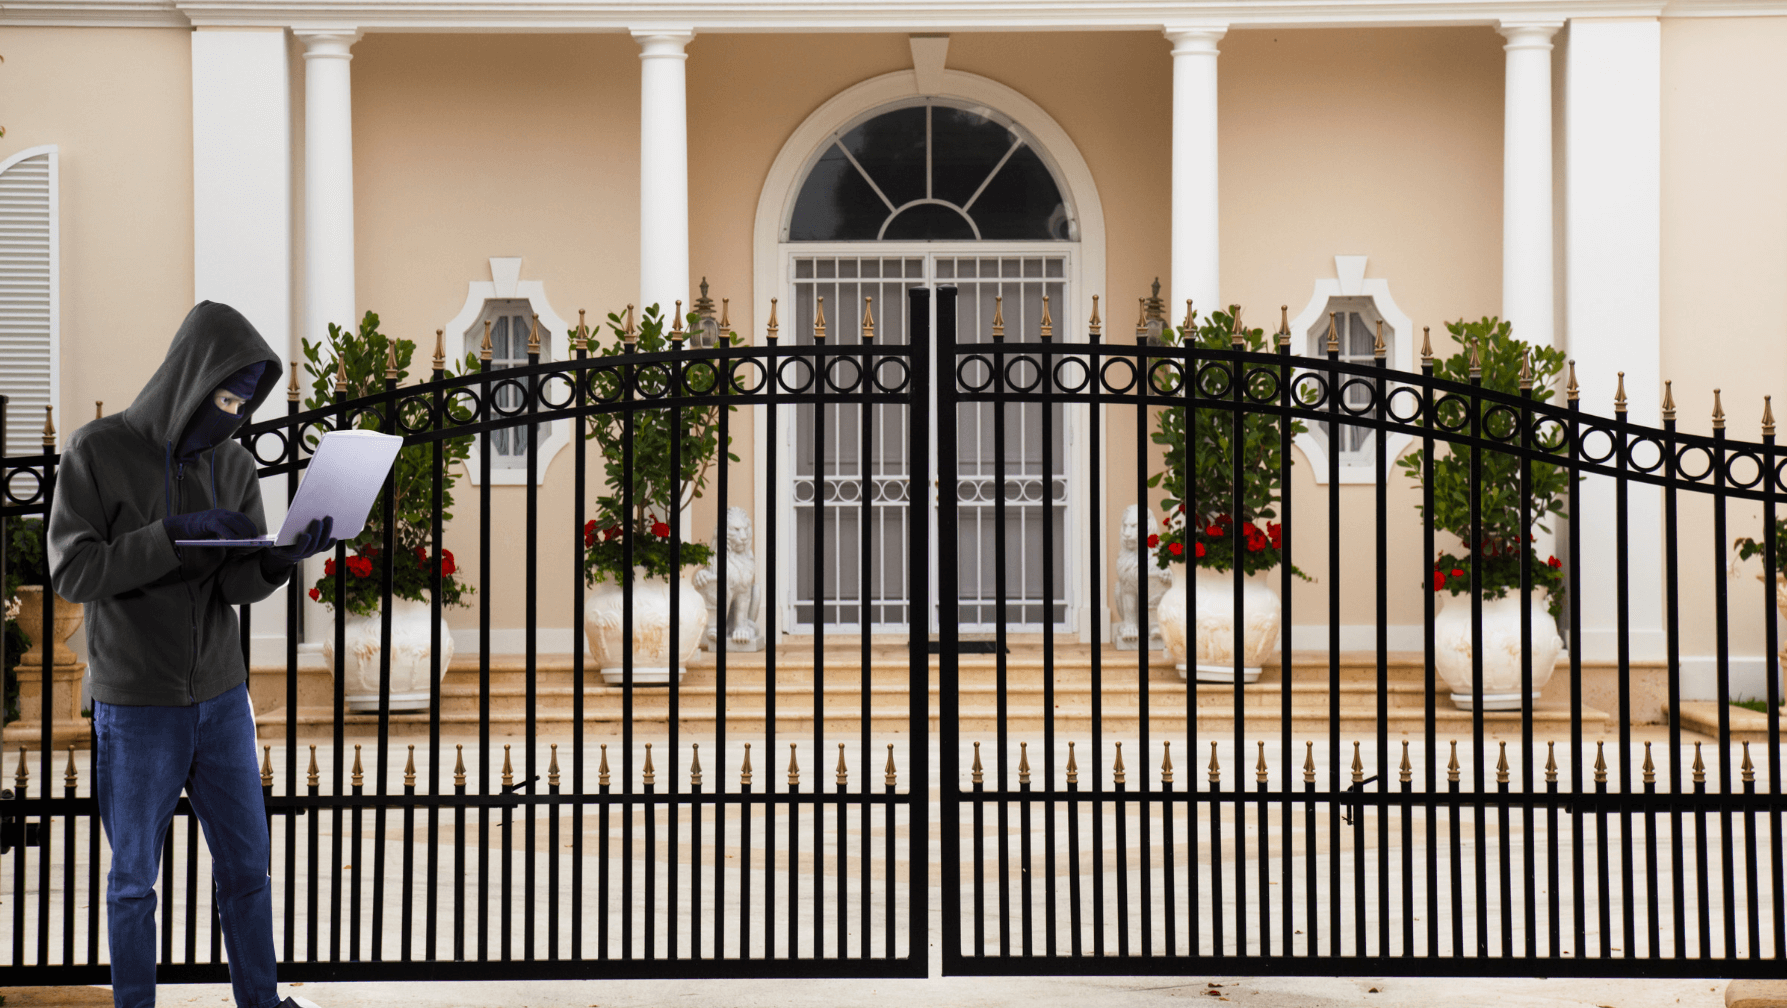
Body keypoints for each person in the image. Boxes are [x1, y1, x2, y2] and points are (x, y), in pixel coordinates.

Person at [48, 302, 335, 1008]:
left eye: (245, 401)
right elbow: (74, 572)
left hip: (221, 699)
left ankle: (261, 1004)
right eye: (225, 396)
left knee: (246, 867)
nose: (233, 414)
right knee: (134, 878)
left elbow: (234, 583)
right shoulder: (96, 451)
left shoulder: (232, 464)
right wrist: (168, 536)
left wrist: (280, 560)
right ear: (189, 379)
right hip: (137, 702)